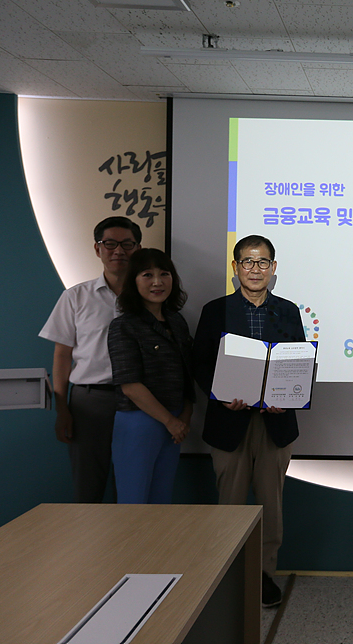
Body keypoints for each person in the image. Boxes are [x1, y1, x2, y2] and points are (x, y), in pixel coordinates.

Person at [193, 235, 305, 607]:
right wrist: (221, 395)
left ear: (273, 268)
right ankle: (228, 574)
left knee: (271, 506)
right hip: (229, 421)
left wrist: (284, 398)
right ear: (235, 267)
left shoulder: (288, 311)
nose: (255, 269)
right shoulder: (215, 310)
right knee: (230, 504)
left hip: (275, 424)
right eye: (247, 262)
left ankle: (263, 575)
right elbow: (200, 364)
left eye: (262, 262)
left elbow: (296, 362)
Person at [39, 216, 142, 503]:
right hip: (90, 401)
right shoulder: (76, 297)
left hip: (140, 400)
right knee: (88, 489)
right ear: (98, 249)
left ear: (138, 248)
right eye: (110, 244)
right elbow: (62, 356)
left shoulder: (150, 296)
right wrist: (62, 409)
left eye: (127, 244)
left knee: (133, 488)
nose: (118, 251)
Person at [107, 248, 194, 504]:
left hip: (174, 422)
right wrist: (171, 421)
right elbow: (130, 385)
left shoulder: (177, 322)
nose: (157, 282)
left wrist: (184, 416)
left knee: (161, 502)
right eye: (147, 275)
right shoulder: (124, 325)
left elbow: (187, 373)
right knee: (134, 502)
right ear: (133, 281)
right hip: (140, 422)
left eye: (164, 274)